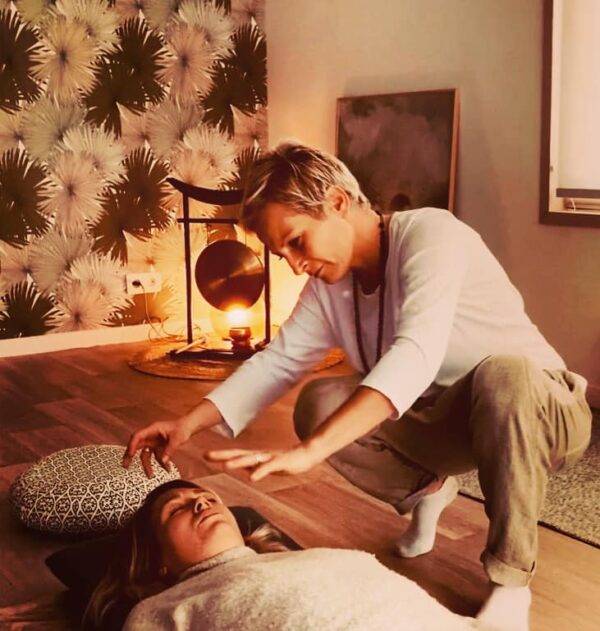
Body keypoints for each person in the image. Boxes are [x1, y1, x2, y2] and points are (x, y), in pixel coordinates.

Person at [123, 142, 593, 631]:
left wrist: (310, 452)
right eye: (282, 253)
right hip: (449, 419)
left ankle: (510, 582)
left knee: (504, 375)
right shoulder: (330, 287)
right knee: (321, 401)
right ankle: (428, 491)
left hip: (546, 410)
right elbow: (278, 361)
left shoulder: (433, 235)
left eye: (297, 242)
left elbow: (415, 354)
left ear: (337, 202)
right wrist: (187, 424)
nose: (294, 264)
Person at [86, 479, 479, 630]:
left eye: (208, 497)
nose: (201, 503)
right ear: (158, 561)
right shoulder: (161, 609)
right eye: (176, 510)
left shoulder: (308, 558)